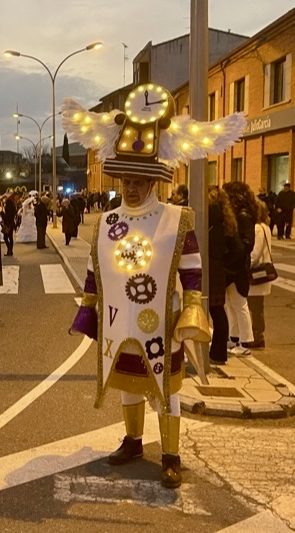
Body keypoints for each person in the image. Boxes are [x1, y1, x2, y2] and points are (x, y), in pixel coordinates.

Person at [64, 83, 244, 488]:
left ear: (154, 181)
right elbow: (97, 267)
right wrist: (88, 306)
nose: (131, 186)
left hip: (163, 320)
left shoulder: (176, 219)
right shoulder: (108, 221)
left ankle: (171, 453)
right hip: (119, 321)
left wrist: (194, 304)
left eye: (139, 180)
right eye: (126, 178)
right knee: (128, 382)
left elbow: (191, 265)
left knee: (166, 387)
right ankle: (132, 441)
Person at [223, 181, 257, 356]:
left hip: (237, 268)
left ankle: (245, 341)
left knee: (239, 304)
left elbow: (247, 243)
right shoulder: (239, 214)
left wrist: (231, 259)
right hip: (233, 267)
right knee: (231, 304)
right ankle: (234, 337)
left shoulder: (243, 216)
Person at [206, 187, 235, 365]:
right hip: (217, 268)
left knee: (212, 310)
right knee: (217, 311)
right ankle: (218, 352)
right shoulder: (225, 220)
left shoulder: (211, 215)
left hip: (211, 268)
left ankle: (216, 352)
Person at [247, 201, 273, 349]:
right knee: (257, 307)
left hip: (257, 274)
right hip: (262, 273)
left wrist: (246, 266)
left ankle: (257, 336)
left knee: (255, 307)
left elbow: (255, 254)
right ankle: (257, 335)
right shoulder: (265, 227)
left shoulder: (257, 228)